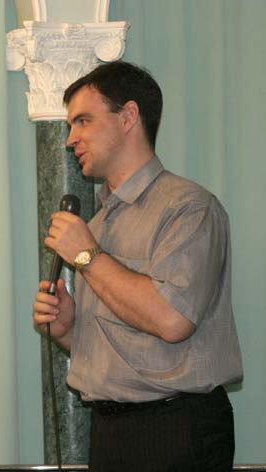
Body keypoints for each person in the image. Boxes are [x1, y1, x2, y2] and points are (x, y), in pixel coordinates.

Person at [33, 61, 243, 471]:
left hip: (175, 429)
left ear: (128, 116)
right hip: (110, 430)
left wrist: (88, 258)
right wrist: (70, 330)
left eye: (83, 121)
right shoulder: (97, 224)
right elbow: (126, 348)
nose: (70, 140)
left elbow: (172, 320)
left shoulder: (188, 208)